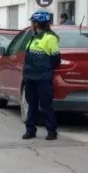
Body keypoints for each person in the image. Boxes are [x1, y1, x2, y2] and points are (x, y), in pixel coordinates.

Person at [22, 10, 61, 141]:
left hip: (43, 78)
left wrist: (45, 71)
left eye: (33, 22)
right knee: (31, 105)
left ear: (37, 24)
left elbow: (56, 60)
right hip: (30, 77)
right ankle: (30, 130)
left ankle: (51, 131)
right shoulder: (33, 37)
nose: (31, 24)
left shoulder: (49, 38)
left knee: (46, 105)